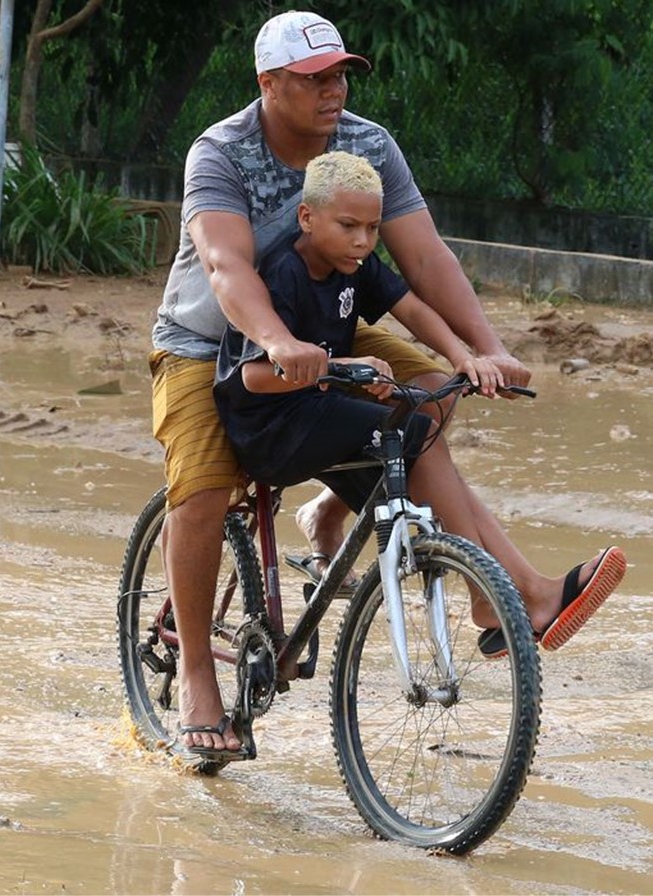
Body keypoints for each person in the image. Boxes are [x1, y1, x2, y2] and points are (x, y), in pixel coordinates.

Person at [149, 10, 617, 764]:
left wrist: (486, 350)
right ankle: (202, 681)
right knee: (202, 488)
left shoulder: (368, 145)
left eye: (340, 75)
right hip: (217, 341)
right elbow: (225, 267)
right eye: (313, 79)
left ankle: (476, 580)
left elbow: (424, 263)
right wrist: (277, 342)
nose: (333, 91)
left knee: (429, 391)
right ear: (268, 84)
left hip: (325, 327)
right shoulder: (221, 152)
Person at [215, 149, 625, 675]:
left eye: (372, 228)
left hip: (318, 414)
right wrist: (341, 366)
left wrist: (468, 359)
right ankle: (500, 592)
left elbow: (410, 308)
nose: (363, 241)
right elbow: (252, 375)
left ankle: (515, 589)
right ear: (307, 217)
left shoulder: (353, 265)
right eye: (348, 226)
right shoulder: (284, 273)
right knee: (415, 433)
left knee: (425, 425)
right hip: (271, 427)